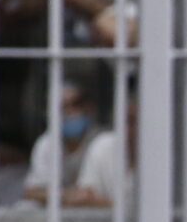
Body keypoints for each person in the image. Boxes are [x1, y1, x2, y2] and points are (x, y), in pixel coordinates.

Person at [21, 77, 122, 208]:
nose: (69, 112)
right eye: (62, 107)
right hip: (58, 209)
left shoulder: (102, 142)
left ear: (89, 107)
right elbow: (31, 192)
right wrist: (67, 195)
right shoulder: (47, 143)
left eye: (75, 104)